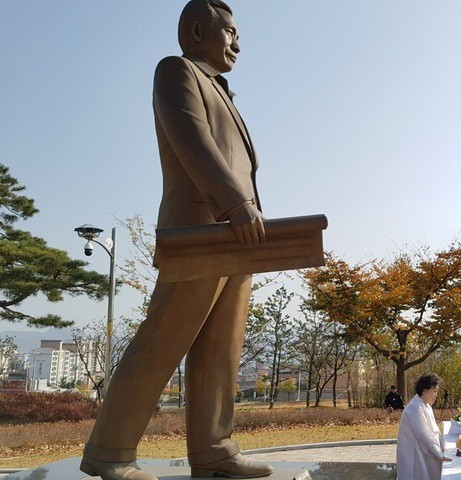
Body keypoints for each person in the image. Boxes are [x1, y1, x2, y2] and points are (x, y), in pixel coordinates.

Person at [80, 2, 273, 480]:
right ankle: (109, 452)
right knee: (164, 338)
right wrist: (233, 202)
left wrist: (248, 213)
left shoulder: (224, 91)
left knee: (220, 348)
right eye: (229, 31)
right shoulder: (175, 71)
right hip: (200, 231)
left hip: (238, 236)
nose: (238, 43)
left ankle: (215, 449)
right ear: (195, 30)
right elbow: (192, 141)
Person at [397, 374, 452, 480]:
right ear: (424, 390)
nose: (436, 395)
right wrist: (439, 455)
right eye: (434, 391)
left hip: (424, 452)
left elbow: (435, 430)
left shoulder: (425, 405)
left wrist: (443, 447)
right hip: (414, 455)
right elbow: (424, 436)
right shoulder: (414, 408)